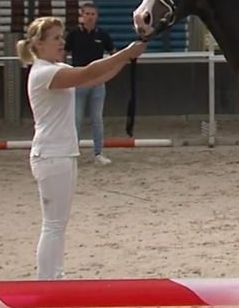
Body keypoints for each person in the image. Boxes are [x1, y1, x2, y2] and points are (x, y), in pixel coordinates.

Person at [16, 16, 147, 280]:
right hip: (52, 154)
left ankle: (54, 276)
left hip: (61, 154)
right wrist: (125, 53)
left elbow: (95, 77)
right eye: (55, 38)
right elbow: (88, 73)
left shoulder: (57, 68)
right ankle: (47, 280)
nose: (61, 42)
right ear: (39, 44)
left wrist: (126, 58)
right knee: (53, 225)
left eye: (61, 37)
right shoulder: (43, 72)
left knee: (57, 224)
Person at [64, 3, 116, 165]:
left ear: (97, 16)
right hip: (78, 81)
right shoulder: (73, 34)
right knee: (76, 119)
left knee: (97, 119)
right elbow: (63, 53)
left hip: (98, 82)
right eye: (87, 14)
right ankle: (73, 153)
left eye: (93, 14)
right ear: (82, 16)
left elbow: (114, 54)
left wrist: (107, 72)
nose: (90, 17)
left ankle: (98, 153)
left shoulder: (103, 35)